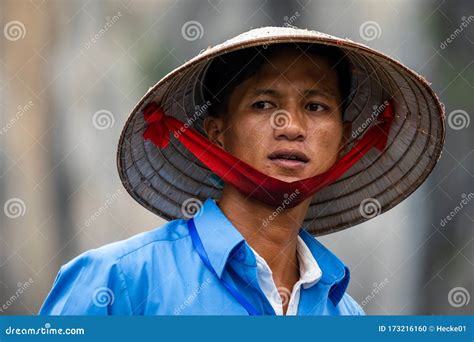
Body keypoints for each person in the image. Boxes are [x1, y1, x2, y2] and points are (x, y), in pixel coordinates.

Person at [38, 26, 445, 315]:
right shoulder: (121, 281)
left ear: (345, 138)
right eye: (263, 104)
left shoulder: (343, 314)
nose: (292, 127)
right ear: (216, 132)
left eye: (316, 106)